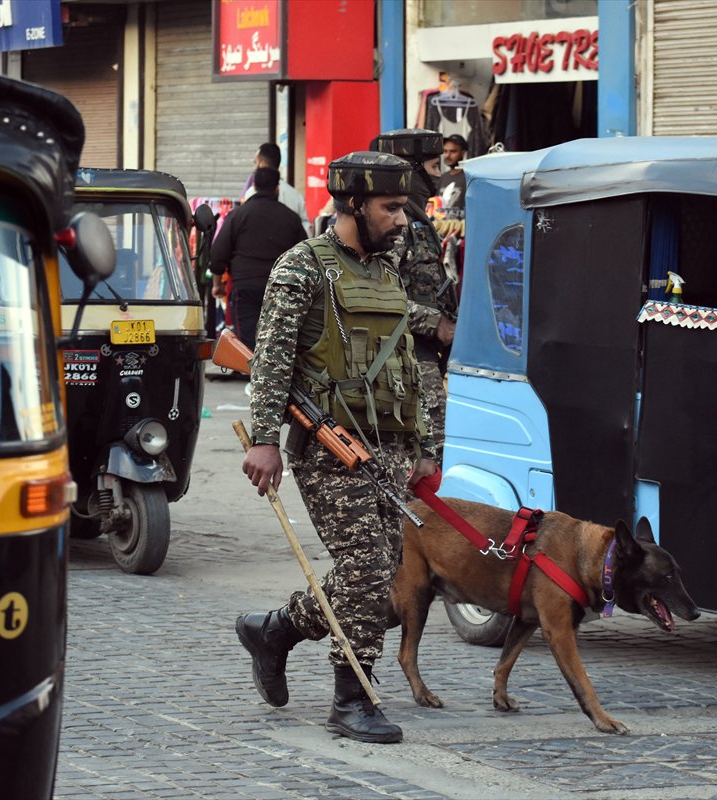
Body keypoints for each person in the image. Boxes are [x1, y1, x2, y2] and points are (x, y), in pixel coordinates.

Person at [235, 151, 439, 744]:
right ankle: (353, 697)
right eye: (391, 207)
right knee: (367, 570)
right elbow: (270, 361)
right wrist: (265, 440)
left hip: (389, 448)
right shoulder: (303, 267)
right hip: (330, 448)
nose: (402, 220)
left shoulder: (387, 271)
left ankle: (275, 631)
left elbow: (405, 363)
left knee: (378, 571)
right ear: (353, 204)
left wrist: (423, 443)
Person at [373, 128, 458, 461]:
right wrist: (435, 323)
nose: (439, 177)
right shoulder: (396, 225)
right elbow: (376, 294)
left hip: (423, 354)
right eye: (434, 167)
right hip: (405, 356)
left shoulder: (419, 219)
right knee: (428, 456)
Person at [210, 167, 308, 351]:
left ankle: (252, 369)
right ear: (276, 188)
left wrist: (217, 285)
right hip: (282, 288)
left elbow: (217, 255)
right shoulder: (291, 218)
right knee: (278, 342)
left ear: (254, 185)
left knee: (247, 343)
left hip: (246, 287)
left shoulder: (238, 215)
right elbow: (305, 256)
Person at [242, 142, 311, 235]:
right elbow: (306, 229)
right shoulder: (295, 196)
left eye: (255, 162)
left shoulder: (252, 193)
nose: (254, 167)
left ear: (262, 164)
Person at [436, 133, 468, 210]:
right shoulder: (443, 177)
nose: (447, 155)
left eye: (453, 151)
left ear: (463, 153)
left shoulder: (469, 177)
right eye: (445, 151)